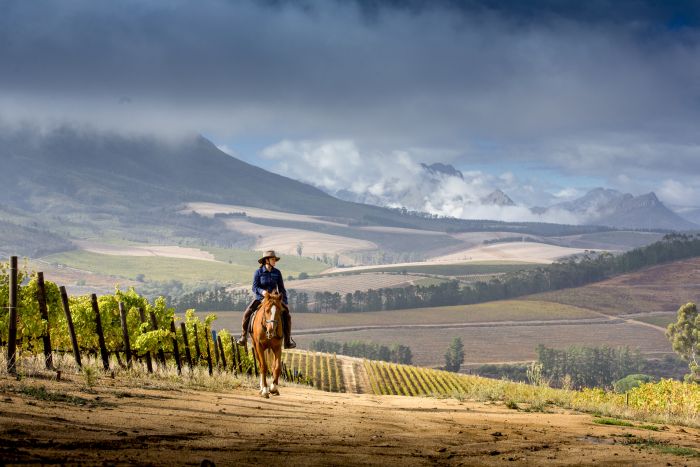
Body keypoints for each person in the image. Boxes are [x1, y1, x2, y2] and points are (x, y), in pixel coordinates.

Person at [237, 250, 296, 349]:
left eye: (275, 259)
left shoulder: (277, 273)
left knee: (287, 315)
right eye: (273, 259)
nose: (275, 261)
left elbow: (281, 288)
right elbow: (254, 287)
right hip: (261, 299)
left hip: (274, 299)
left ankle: (287, 340)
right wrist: (262, 292)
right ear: (266, 260)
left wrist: (285, 302)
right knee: (247, 313)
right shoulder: (258, 272)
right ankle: (243, 336)